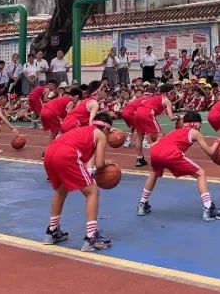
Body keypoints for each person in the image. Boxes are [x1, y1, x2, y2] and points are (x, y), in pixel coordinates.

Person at [137, 111, 220, 222]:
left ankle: (142, 204)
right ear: (198, 124)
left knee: (154, 173)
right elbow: (211, 152)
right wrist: (218, 141)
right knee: (201, 173)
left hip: (155, 152)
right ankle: (209, 208)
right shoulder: (195, 132)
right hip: (170, 153)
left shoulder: (176, 131)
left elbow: (156, 144)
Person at [43, 112, 115, 251]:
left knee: (61, 189)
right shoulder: (100, 135)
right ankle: (91, 237)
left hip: (49, 152)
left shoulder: (82, 129)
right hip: (66, 154)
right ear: (106, 128)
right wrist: (107, 163)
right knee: (92, 191)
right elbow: (99, 164)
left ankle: (52, 231)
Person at [132, 85, 177, 167]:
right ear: (169, 93)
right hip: (147, 113)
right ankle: (155, 157)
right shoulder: (167, 101)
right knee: (160, 135)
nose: (174, 95)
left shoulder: (157, 96)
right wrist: (179, 117)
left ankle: (139, 159)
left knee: (140, 136)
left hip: (138, 112)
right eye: (173, 93)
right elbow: (171, 117)